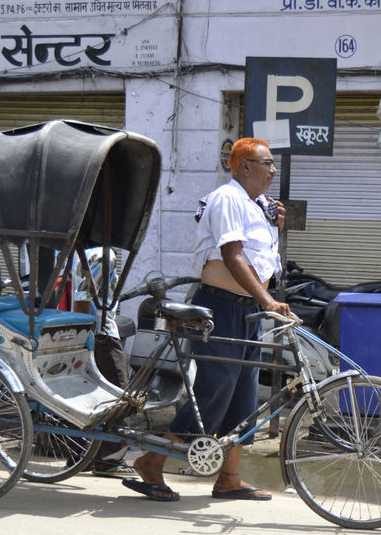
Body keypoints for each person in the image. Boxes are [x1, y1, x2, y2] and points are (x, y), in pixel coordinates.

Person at [122, 137, 289, 501]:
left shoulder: (257, 204)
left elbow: (263, 258)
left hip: (247, 310)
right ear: (246, 166)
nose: (274, 170)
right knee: (215, 392)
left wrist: (277, 226)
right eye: (268, 163)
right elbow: (233, 255)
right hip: (221, 308)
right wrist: (268, 300)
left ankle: (229, 477)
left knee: (244, 397)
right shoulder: (227, 199)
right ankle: (151, 463)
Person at [71, 248, 137, 477]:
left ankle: (81, 457)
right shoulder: (99, 253)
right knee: (119, 397)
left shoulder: (87, 250)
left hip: (93, 333)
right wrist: (86, 339)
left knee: (86, 397)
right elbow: (82, 298)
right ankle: (109, 460)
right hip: (101, 334)